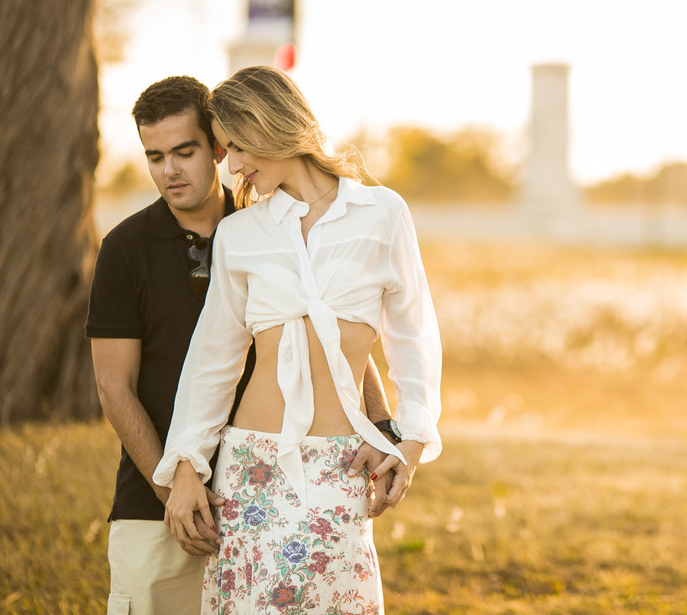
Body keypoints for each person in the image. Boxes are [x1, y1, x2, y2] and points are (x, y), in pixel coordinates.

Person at [88, 76, 399, 615]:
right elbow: (115, 389)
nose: (170, 170)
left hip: (266, 487)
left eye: (185, 151)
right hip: (158, 495)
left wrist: (385, 422)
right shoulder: (125, 248)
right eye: (155, 156)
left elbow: (333, 334)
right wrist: (177, 493)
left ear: (218, 146)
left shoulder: (275, 220)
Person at [152, 65, 442, 614]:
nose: (232, 165)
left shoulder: (383, 214)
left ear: (271, 124)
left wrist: (412, 436)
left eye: (236, 145)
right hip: (251, 469)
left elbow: (414, 336)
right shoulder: (241, 234)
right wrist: (188, 464)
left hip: (342, 469)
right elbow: (213, 359)